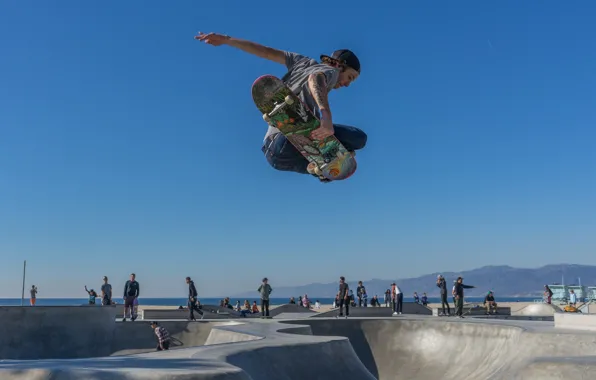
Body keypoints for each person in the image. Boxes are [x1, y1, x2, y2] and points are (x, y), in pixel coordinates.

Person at [195, 31, 367, 182]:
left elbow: (265, 52)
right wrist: (326, 117)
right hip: (285, 143)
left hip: (274, 155)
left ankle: (316, 167)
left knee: (339, 162)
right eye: (350, 77)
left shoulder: (301, 61)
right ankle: (317, 161)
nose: (346, 84)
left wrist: (227, 40)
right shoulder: (331, 71)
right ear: (339, 65)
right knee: (359, 138)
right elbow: (315, 78)